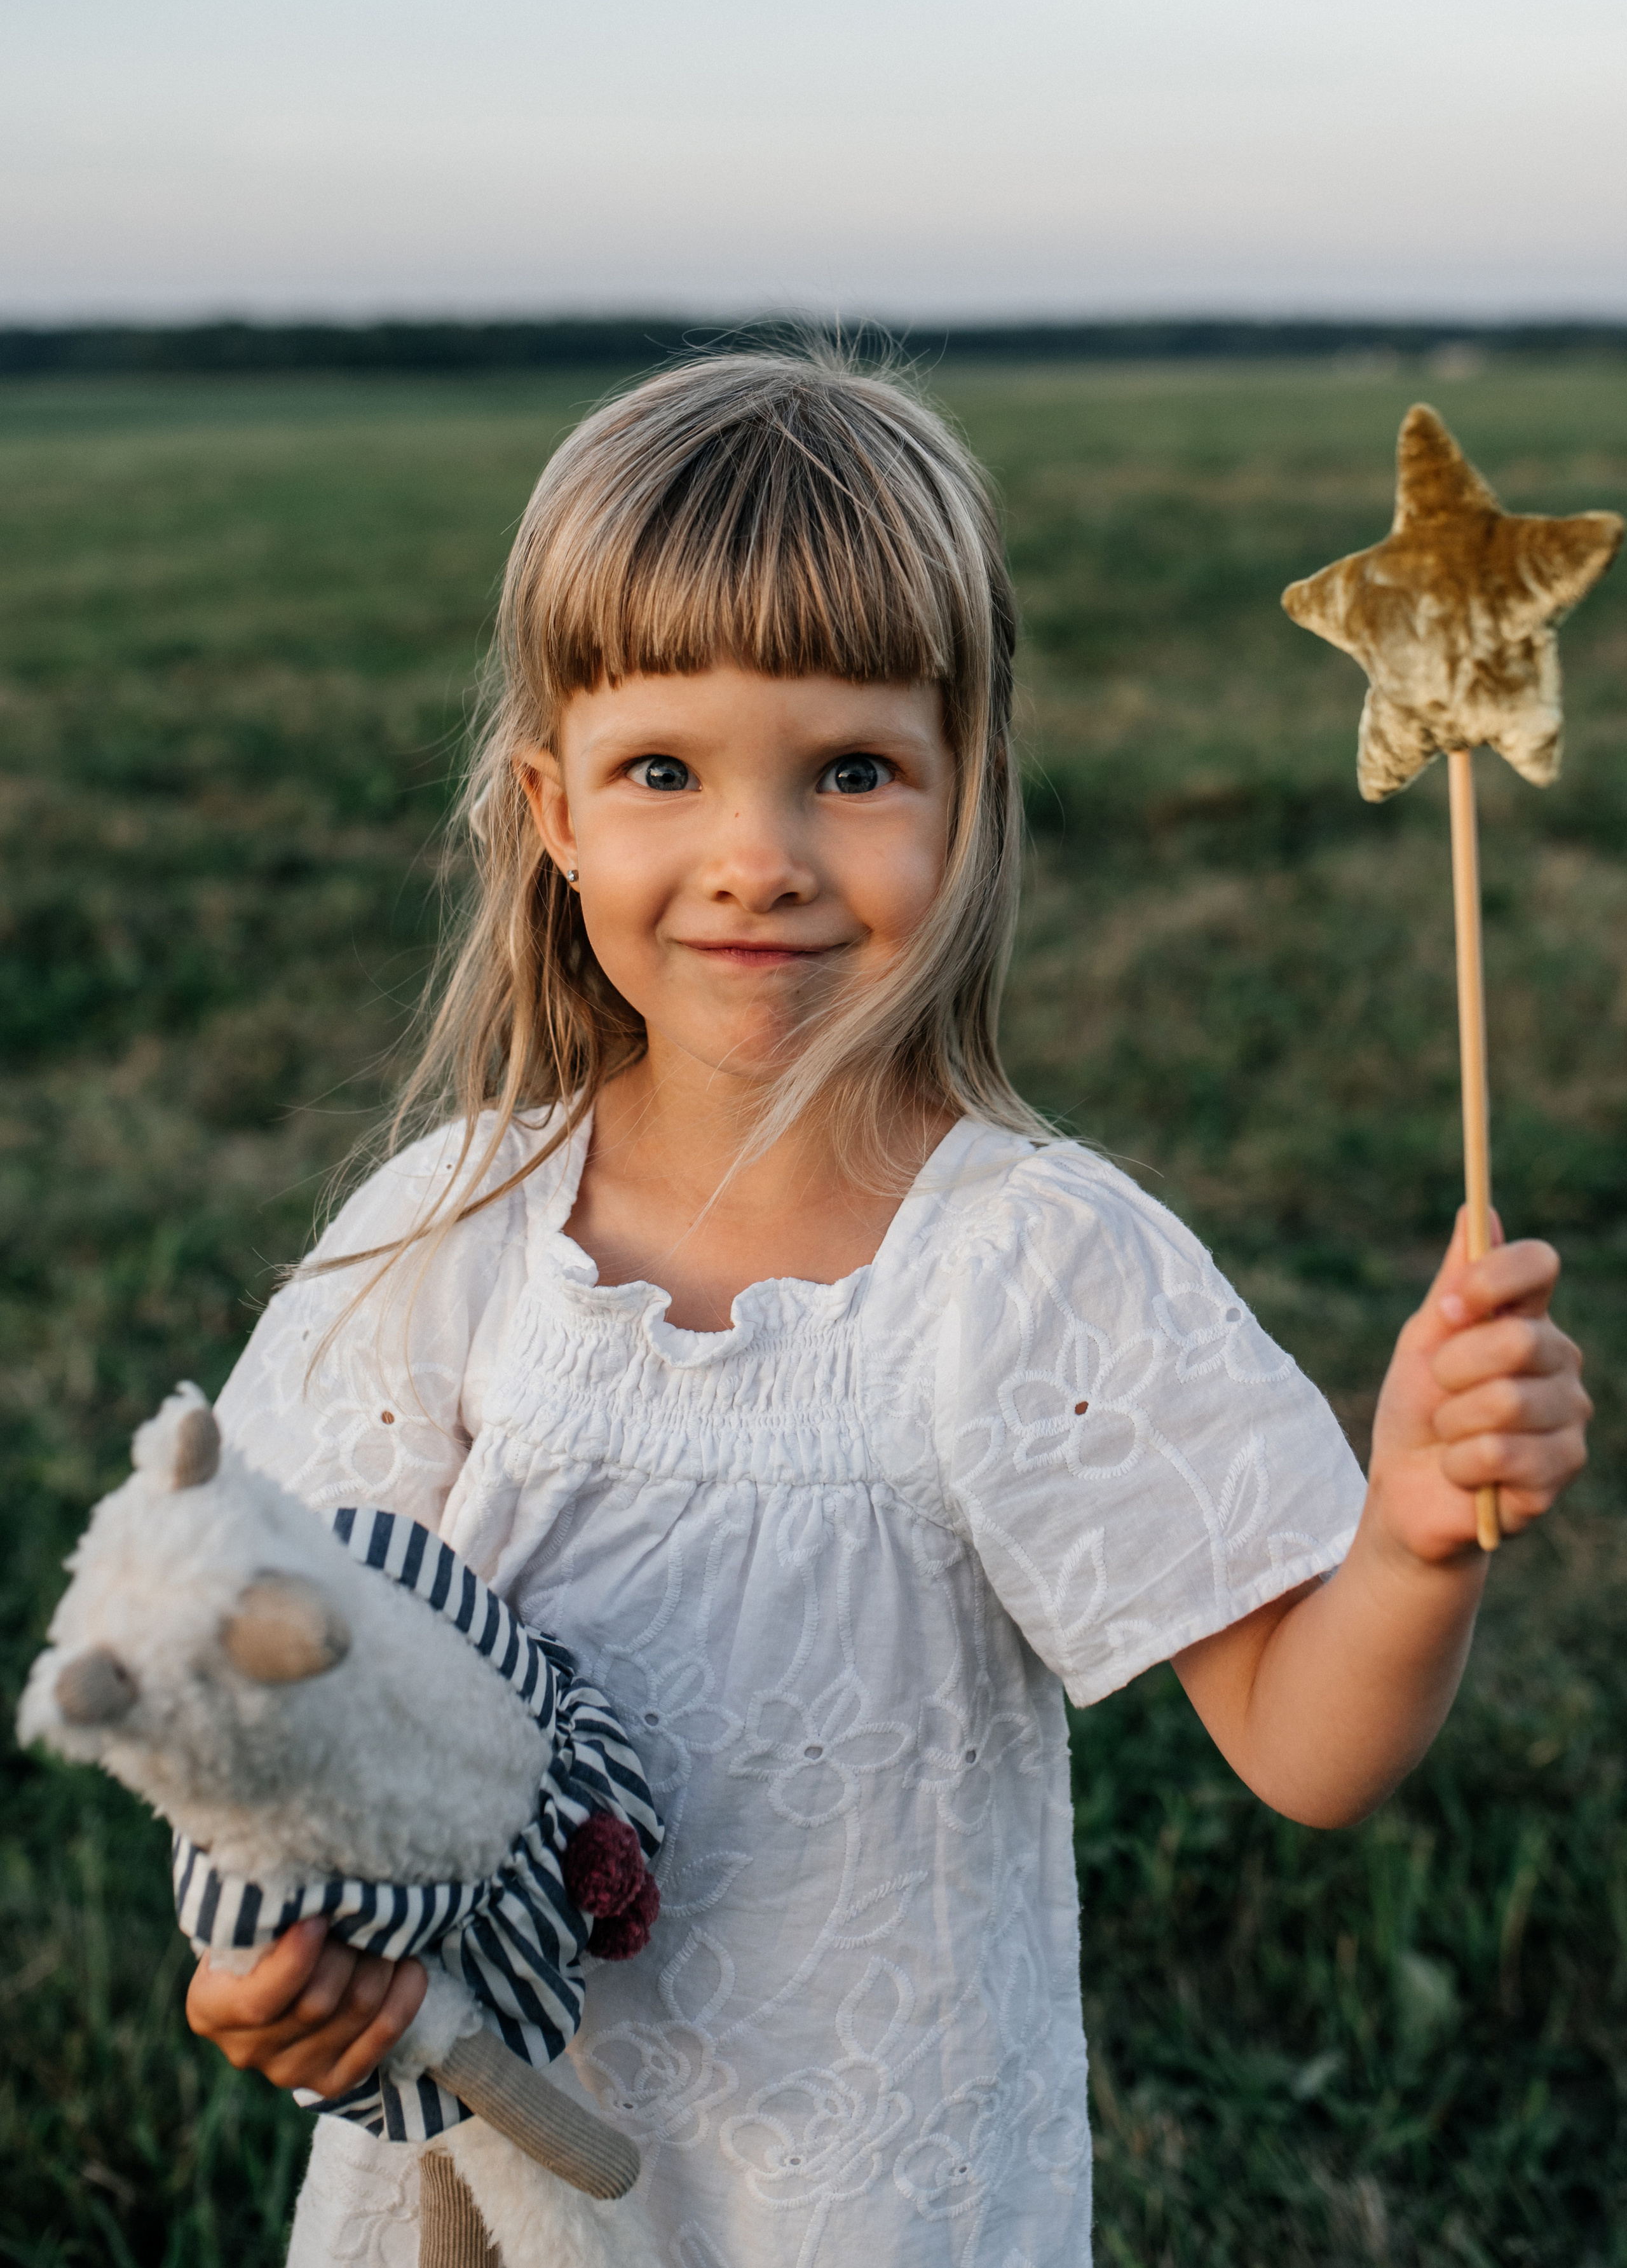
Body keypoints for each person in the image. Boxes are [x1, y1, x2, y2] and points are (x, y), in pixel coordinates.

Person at [187, 348, 1590, 2264]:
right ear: (555, 807)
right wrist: (280, 1954)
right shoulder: (454, 1236)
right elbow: (266, 1671)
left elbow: (1305, 1742)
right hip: (488, 2193)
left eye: (851, 770)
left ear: (966, 794)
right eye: (663, 771)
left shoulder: (1027, 1264)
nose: (757, 854)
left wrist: (1421, 1530)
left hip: (875, 2197)